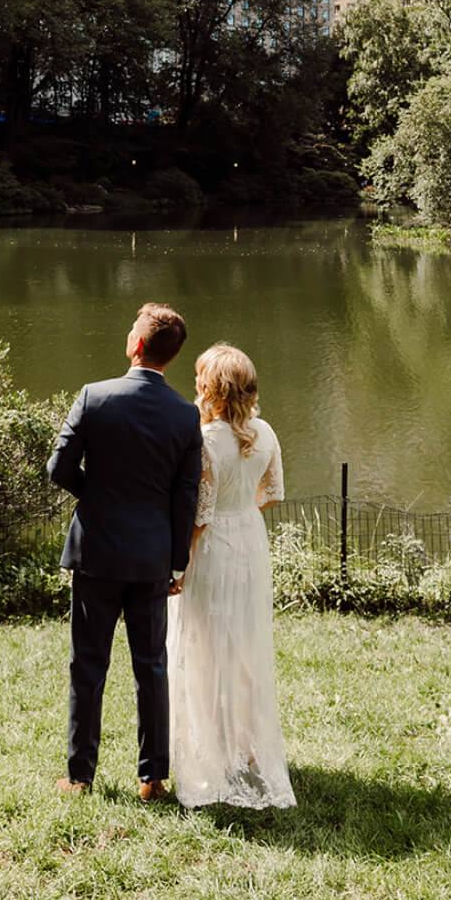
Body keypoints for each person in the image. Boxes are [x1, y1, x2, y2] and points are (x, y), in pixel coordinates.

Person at [47, 302, 202, 802]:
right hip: (151, 557)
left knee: (87, 665)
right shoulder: (185, 415)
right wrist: (176, 559)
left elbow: (59, 469)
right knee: (151, 666)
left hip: (97, 553)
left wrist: (95, 495)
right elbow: (185, 498)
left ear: (136, 344)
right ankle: (152, 777)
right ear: (170, 357)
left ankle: (79, 777)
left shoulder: (95, 397)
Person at [168, 343, 296, 810]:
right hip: (250, 542)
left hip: (216, 547)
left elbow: (200, 516)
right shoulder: (265, 432)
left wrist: (180, 566)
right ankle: (243, 747)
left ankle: (210, 753)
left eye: (201, 377)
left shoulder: (203, 440)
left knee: (204, 643)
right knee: (243, 643)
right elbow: (275, 492)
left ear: (211, 389)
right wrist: (243, 508)